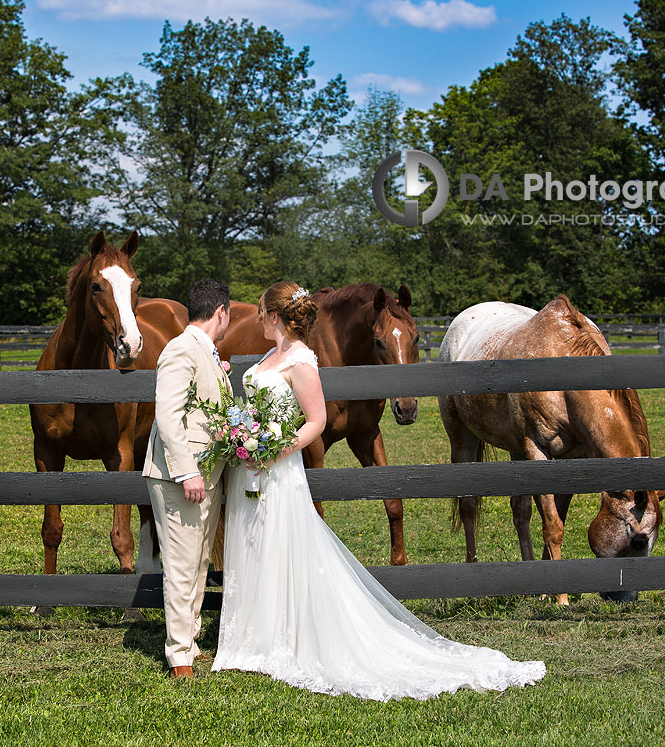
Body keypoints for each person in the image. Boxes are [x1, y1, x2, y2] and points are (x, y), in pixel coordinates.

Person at [212, 281, 546, 700]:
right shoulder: (266, 357)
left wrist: (278, 447)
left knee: (287, 544)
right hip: (252, 468)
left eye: (261, 312)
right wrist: (242, 429)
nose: (256, 318)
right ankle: (252, 638)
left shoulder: (300, 359)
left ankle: (291, 636)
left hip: (278, 466)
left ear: (275, 317)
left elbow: (314, 420)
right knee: (257, 544)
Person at [142, 278, 232, 679]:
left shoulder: (205, 352)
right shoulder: (180, 348)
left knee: (198, 563)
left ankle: (189, 641)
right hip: (181, 477)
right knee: (181, 565)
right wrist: (187, 471)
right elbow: (168, 416)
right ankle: (179, 656)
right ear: (221, 312)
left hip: (207, 475)